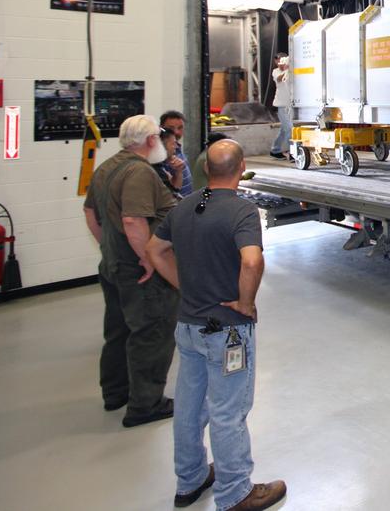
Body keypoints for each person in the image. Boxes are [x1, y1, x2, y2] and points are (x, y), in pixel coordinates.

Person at [147, 140, 287, 511]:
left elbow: (154, 251)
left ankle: (190, 480)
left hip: (189, 327)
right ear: (241, 168)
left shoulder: (184, 207)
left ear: (207, 170)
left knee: (190, 408)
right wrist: (245, 302)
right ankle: (235, 492)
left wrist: (184, 285)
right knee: (228, 412)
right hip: (227, 332)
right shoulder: (241, 211)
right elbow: (252, 262)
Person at [82, 114, 179, 427]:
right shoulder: (139, 172)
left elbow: (91, 215)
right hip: (139, 271)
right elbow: (133, 221)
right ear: (150, 140)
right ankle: (146, 404)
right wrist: (149, 258)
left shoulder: (107, 168)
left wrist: (109, 250)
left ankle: (115, 393)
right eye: (160, 138)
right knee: (151, 332)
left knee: (119, 329)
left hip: (113, 265)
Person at [160, 110, 194, 197]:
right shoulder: (162, 154)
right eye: (171, 128)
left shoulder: (177, 147)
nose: (176, 132)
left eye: (180, 128)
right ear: (161, 128)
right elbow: (171, 189)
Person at [268, 55, 292, 161]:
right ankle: (293, 152)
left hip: (290, 105)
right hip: (281, 104)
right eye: (278, 60)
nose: (280, 62)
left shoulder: (292, 70)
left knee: (284, 129)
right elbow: (279, 79)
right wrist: (286, 70)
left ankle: (275, 150)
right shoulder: (276, 71)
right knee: (289, 129)